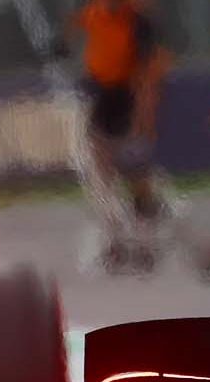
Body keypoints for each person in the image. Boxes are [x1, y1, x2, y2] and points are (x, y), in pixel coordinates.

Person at [71, 0, 173, 271]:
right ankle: (115, 239)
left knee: (137, 175)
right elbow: (74, 28)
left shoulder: (139, 22)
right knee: (101, 173)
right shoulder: (95, 13)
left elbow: (148, 76)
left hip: (128, 99)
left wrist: (144, 118)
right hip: (101, 98)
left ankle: (145, 244)